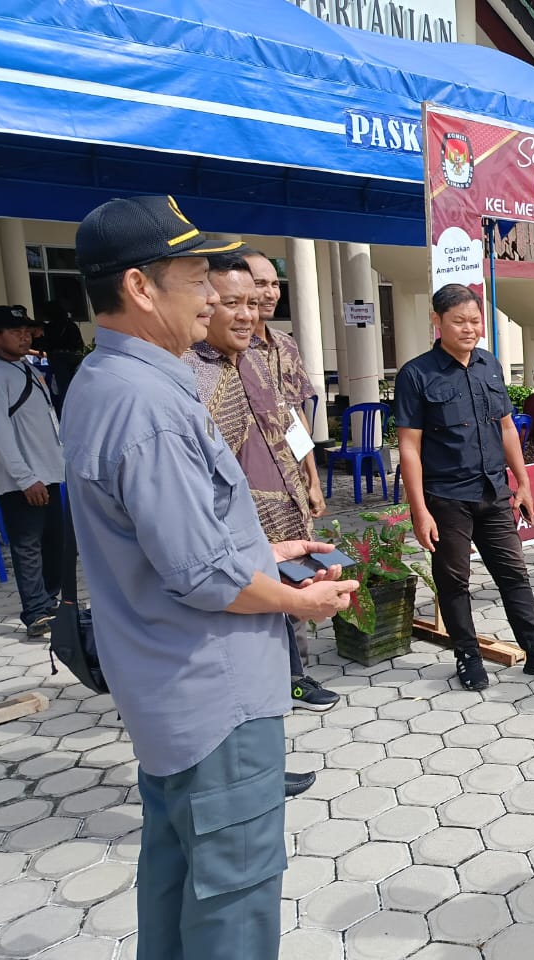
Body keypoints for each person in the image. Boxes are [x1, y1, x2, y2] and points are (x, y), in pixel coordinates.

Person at [62, 194, 357, 960]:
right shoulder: (149, 403)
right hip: (214, 691)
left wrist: (268, 556)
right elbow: (202, 575)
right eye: (197, 279)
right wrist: (298, 600)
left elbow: (183, 537)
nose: (214, 297)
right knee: (234, 889)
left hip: (169, 687)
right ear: (139, 287)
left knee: (176, 873)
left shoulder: (110, 380)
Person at [395, 283, 534, 691]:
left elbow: (506, 429)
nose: (469, 329)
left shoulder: (489, 365)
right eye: (458, 321)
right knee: (454, 581)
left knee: (513, 573)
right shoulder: (416, 374)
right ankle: (467, 655)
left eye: (475, 321)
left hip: (494, 491)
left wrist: (524, 483)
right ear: (437, 321)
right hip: (446, 497)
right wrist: (419, 511)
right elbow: (409, 447)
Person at [181, 252, 339, 725]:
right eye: (233, 302)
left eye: (254, 301)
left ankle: (288, 682)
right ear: (206, 304)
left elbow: (290, 420)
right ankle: (254, 714)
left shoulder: (257, 356)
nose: (249, 313)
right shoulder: (189, 371)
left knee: (289, 602)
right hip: (234, 524)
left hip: (285, 510)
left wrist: (310, 477)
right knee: (244, 622)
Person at [0, 304, 64, 637]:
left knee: (55, 543)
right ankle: (36, 612)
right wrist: (26, 477)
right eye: (15, 331)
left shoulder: (26, 367)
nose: (24, 335)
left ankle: (50, 601)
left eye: (27, 330)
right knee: (28, 547)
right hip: (21, 481)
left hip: (50, 473)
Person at [241, 249, 326, 521]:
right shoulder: (227, 350)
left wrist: (313, 479)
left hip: (293, 483)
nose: (270, 293)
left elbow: (295, 415)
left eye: (275, 284)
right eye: (260, 284)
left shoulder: (285, 345)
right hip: (252, 492)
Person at [38, 301, 86, 415]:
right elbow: (79, 343)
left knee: (63, 389)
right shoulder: (71, 325)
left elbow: (47, 345)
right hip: (74, 357)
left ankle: (67, 413)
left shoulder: (49, 327)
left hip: (58, 360)